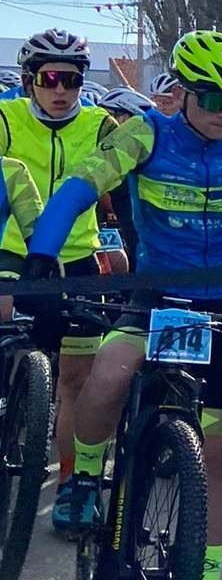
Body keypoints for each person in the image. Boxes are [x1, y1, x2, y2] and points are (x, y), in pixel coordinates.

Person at [18, 29, 222, 580]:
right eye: (210, 97)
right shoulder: (147, 133)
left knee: (219, 454)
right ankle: (86, 477)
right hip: (162, 297)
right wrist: (43, 253)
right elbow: (80, 189)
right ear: (182, 91)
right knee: (107, 373)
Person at [0, 30, 118, 530]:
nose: (61, 89)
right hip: (14, 252)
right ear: (30, 81)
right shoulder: (5, 119)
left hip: (78, 259)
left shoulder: (100, 125)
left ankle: (71, 483)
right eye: (50, 78)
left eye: (71, 79)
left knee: (78, 382)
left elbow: (131, 188)